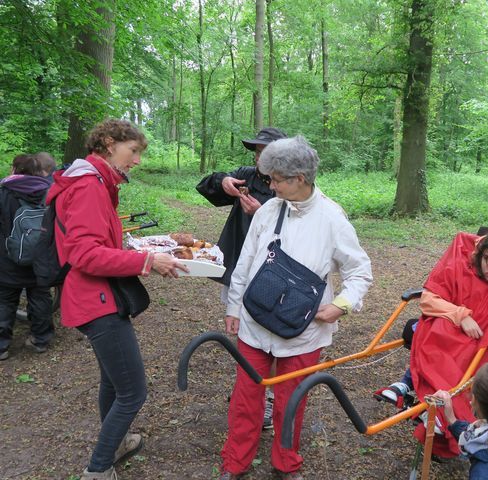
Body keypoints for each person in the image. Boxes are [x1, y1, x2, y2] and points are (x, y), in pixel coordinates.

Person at [218, 136, 372, 480]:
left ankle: (285, 463)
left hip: (303, 332)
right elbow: (245, 262)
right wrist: (232, 307)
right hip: (254, 323)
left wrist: (340, 306)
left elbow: (360, 272)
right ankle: (235, 462)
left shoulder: (333, 218)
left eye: (274, 179)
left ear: (299, 178)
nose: (268, 185)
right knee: (246, 398)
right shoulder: (269, 210)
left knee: (292, 402)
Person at [46, 119, 188, 480]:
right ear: (109, 143)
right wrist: (146, 261)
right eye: (134, 151)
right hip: (96, 300)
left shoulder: (94, 181)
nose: (137, 160)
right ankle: (98, 469)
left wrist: (157, 244)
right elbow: (84, 254)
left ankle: (119, 443)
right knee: (133, 392)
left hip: (94, 296)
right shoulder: (89, 185)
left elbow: (100, 242)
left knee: (114, 380)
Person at [378, 230, 488, 458]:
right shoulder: (462, 271)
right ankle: (411, 389)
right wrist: (461, 316)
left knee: (470, 355)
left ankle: (438, 410)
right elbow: (430, 299)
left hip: (484, 346)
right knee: (437, 329)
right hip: (449, 332)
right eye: (486, 258)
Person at [196, 126, 287, 429]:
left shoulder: (290, 185)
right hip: (239, 269)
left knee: (271, 333)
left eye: (266, 151)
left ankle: (269, 396)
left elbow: (297, 233)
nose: (260, 157)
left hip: (274, 273)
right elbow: (205, 186)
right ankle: (251, 388)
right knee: (245, 332)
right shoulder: (246, 177)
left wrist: (264, 214)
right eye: (257, 151)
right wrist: (222, 182)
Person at [0, 154, 55, 360]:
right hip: (40, 257)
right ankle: (40, 340)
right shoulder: (49, 191)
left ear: (15, 169)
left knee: (5, 300)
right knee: (40, 296)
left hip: (7, 258)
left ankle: (2, 346)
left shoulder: (4, 192)